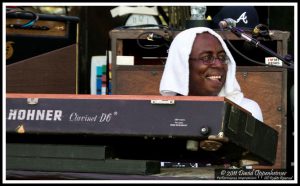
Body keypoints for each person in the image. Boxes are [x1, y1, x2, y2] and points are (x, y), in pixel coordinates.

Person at [160, 27, 263, 122]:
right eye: (206, 58)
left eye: (222, 57)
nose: (219, 65)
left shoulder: (246, 110)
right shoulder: (160, 112)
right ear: (181, 64)